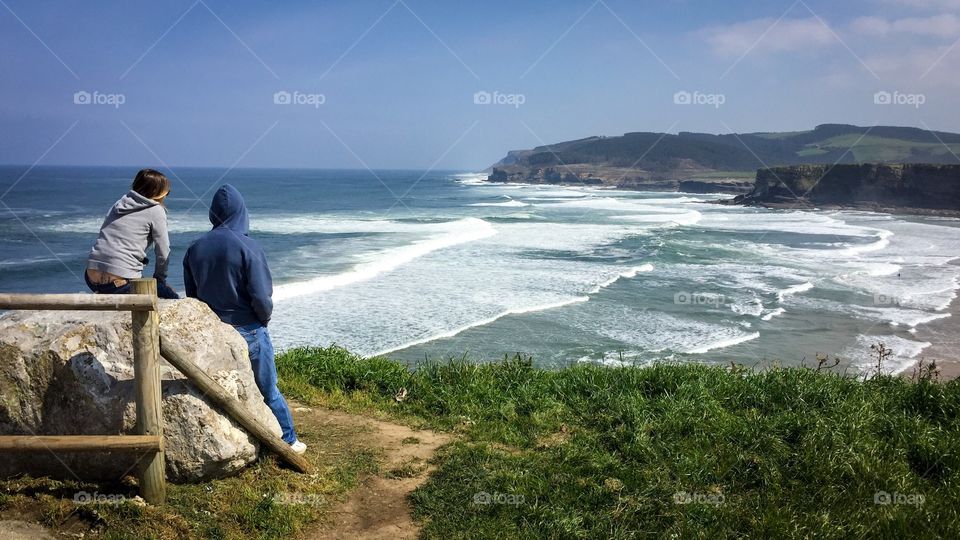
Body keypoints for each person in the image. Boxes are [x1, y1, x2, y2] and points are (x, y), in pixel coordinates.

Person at [182, 184, 306, 454]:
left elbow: (193, 297)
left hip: (213, 331)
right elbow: (261, 296)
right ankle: (288, 440)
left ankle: (239, 439)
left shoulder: (195, 248)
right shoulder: (248, 247)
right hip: (248, 329)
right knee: (267, 390)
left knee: (222, 390)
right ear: (241, 212)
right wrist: (263, 319)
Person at [86, 169, 180, 299]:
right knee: (172, 297)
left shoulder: (119, 204)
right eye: (167, 193)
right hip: (118, 283)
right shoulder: (156, 210)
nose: (166, 196)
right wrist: (160, 280)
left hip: (91, 277)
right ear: (157, 193)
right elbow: (163, 252)